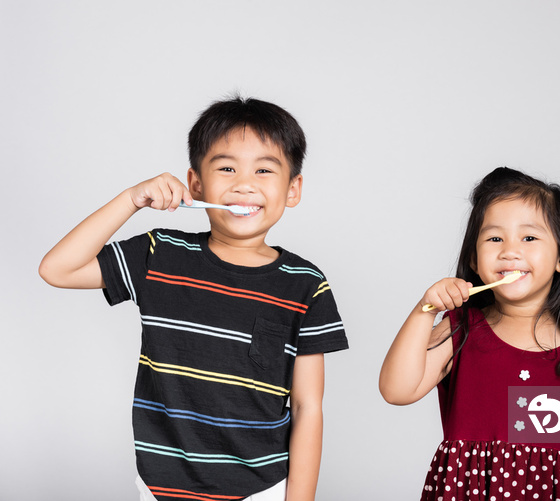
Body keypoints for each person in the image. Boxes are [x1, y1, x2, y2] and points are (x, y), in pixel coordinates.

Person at [39, 96, 348, 501]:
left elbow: (309, 407)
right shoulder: (159, 255)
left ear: (293, 189)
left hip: (262, 490)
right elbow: (56, 269)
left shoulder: (306, 284)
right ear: (196, 183)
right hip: (160, 488)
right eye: (226, 168)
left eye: (264, 170)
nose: (244, 183)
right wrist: (131, 199)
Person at [378, 167, 560, 500]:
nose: (510, 251)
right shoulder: (461, 328)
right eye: (495, 238)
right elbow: (396, 390)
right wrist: (426, 309)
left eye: (529, 237)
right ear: (475, 261)